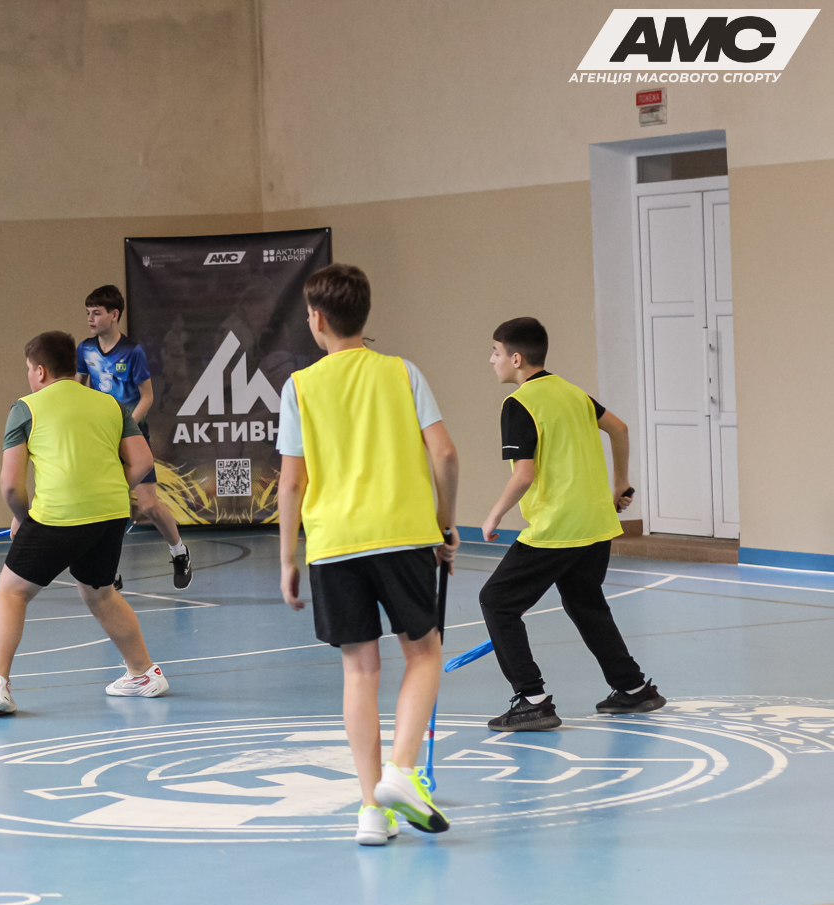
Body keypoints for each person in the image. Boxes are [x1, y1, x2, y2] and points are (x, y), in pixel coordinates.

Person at [276, 264, 459, 846]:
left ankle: (371, 811)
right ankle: (401, 771)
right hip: (403, 535)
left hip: (333, 544)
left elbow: (291, 482)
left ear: (317, 319)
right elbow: (445, 455)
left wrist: (288, 558)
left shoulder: (299, 387)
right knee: (423, 654)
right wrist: (445, 522)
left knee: (359, 671)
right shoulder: (403, 373)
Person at [479, 318, 665, 731]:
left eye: (495, 351)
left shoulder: (519, 404)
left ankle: (532, 699)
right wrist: (620, 483)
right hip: (595, 523)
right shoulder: (573, 393)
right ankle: (633, 688)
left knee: (496, 601)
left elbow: (523, 475)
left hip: (557, 527)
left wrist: (494, 514)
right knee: (585, 603)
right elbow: (619, 428)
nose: (491, 360)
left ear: (516, 358)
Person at [0, 331, 167, 716]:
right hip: (111, 514)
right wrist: (109, 490)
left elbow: (11, 485)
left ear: (40, 371)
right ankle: (143, 673)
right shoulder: (111, 404)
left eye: (29, 369)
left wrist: (23, 519)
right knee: (100, 593)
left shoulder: (25, 408)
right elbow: (142, 462)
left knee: (12, 592)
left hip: (57, 516)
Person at [75, 285, 192, 589]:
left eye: (96, 313)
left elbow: (147, 397)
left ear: (114, 315)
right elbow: (77, 390)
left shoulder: (132, 352)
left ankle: (179, 551)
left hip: (132, 436)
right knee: (107, 506)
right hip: (102, 438)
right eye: (87, 313)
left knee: (149, 506)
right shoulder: (85, 349)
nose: (90, 318)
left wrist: (123, 427)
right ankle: (109, 573)